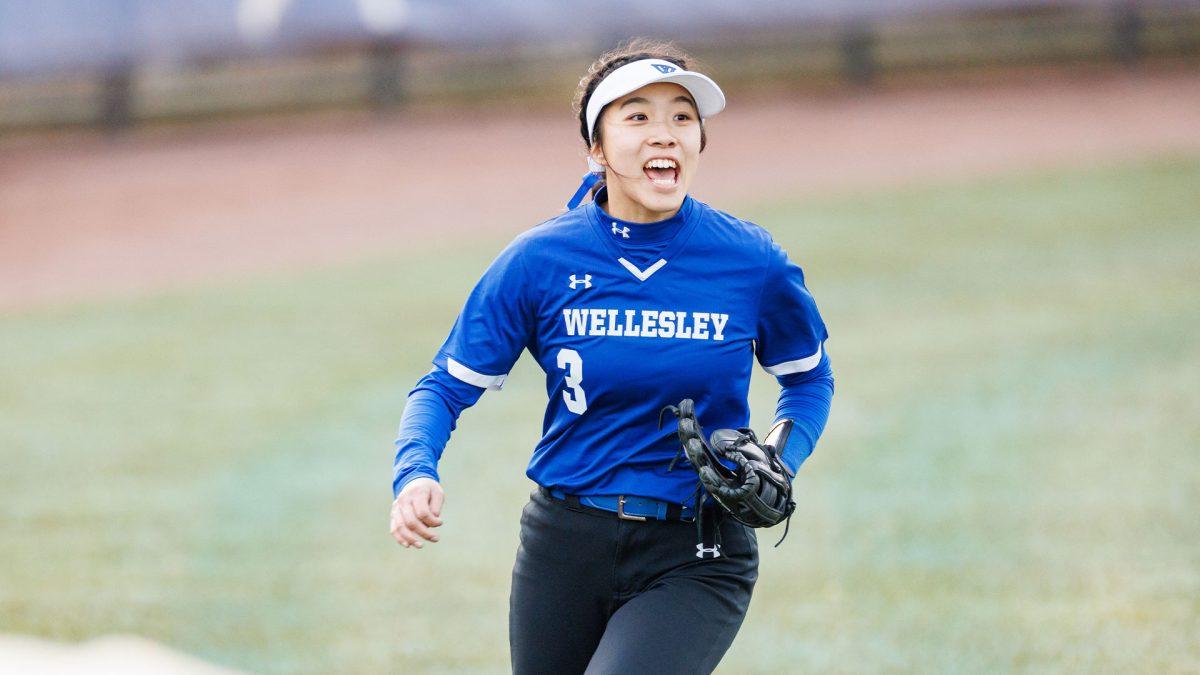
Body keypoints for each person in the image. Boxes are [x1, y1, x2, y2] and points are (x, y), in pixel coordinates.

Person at [390, 38, 834, 674]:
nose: (666, 133)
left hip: (698, 552)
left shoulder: (750, 260)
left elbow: (810, 380)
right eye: (638, 117)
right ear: (596, 150)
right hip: (562, 547)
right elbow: (442, 387)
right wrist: (416, 471)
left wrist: (781, 459)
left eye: (683, 117)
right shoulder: (539, 261)